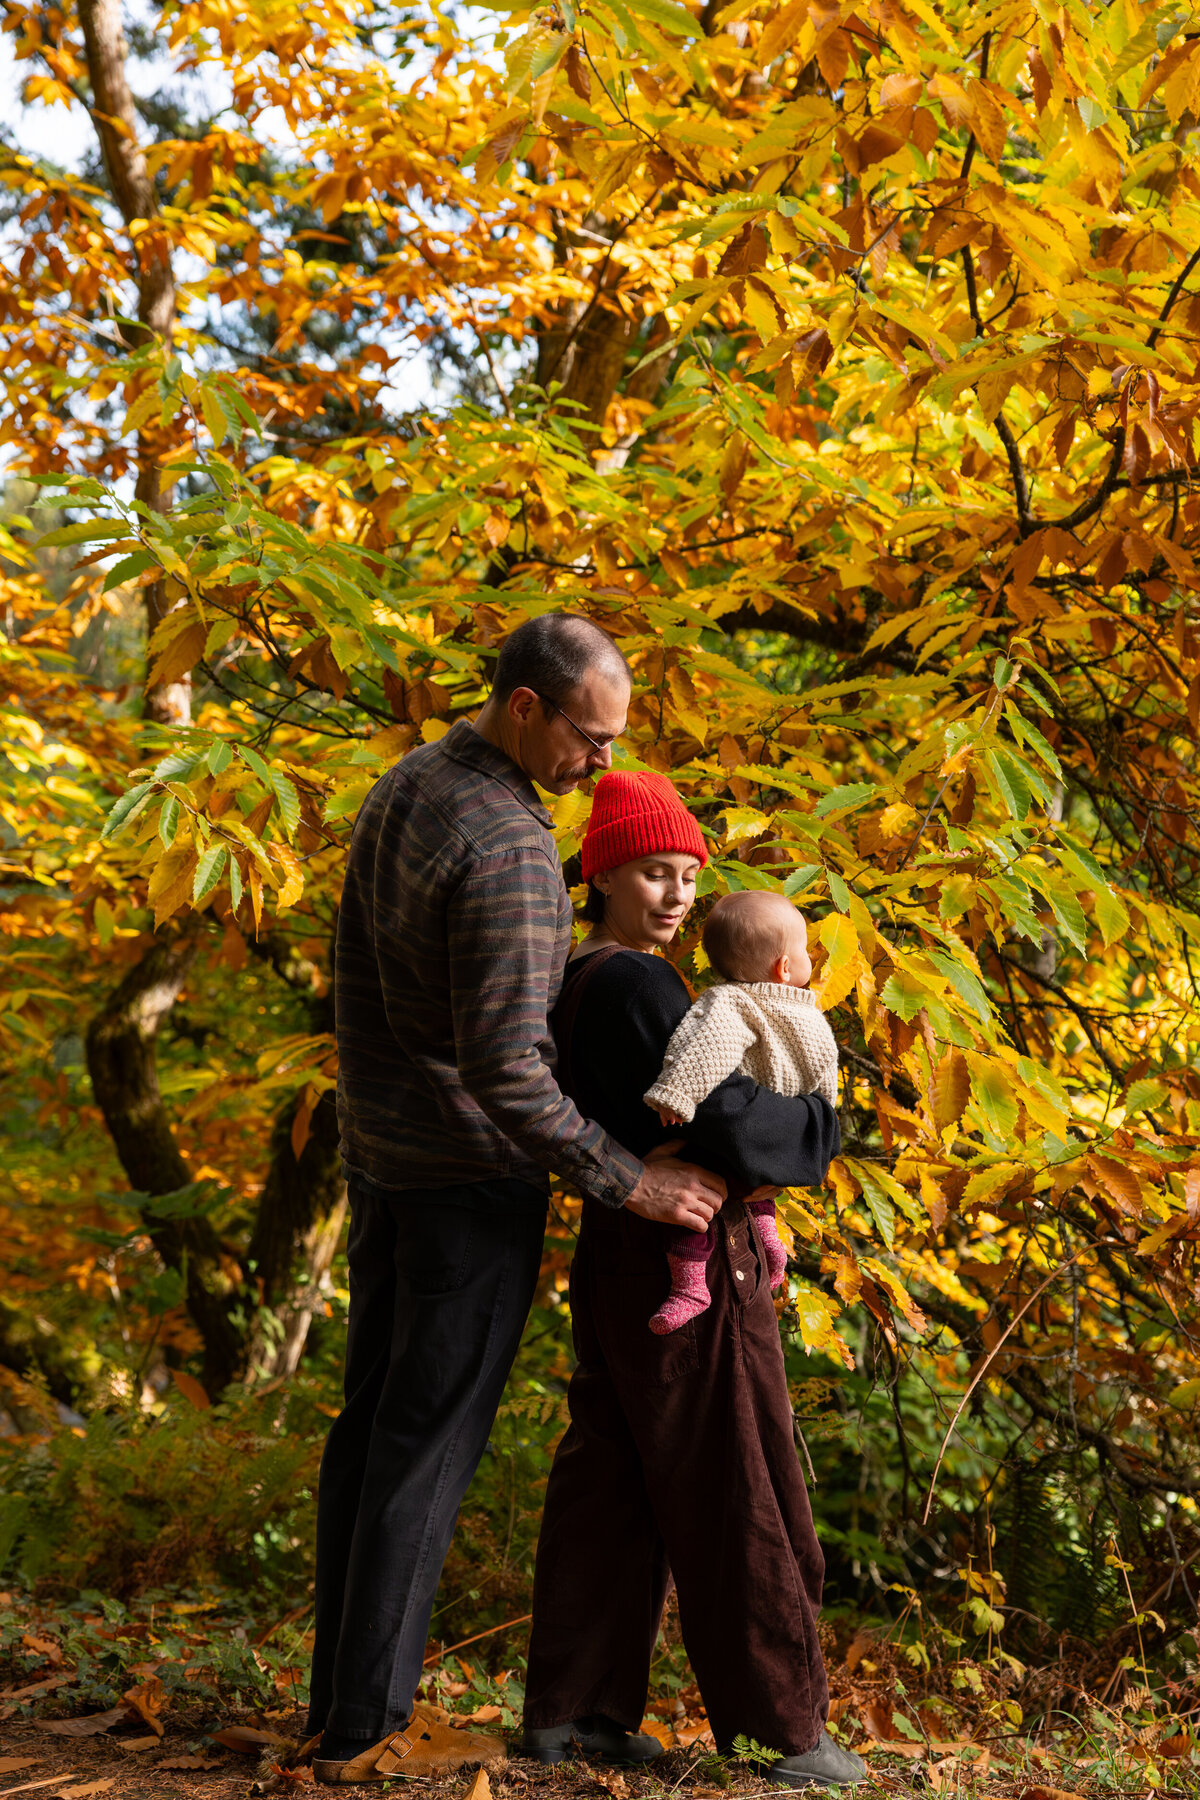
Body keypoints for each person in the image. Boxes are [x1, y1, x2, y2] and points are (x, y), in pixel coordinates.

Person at [310, 617, 729, 1785]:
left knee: (372, 1435)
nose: (602, 763)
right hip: (463, 1181)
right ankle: (366, 1733)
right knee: (426, 1450)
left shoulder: (409, 783)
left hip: (383, 1160)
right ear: (527, 706)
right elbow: (508, 1070)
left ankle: (336, 1709)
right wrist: (628, 1179)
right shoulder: (506, 845)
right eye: (590, 739)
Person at [521, 769, 865, 1791]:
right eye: (650, 873)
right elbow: (733, 1127)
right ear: (602, 876)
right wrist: (822, 1127)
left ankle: (575, 1713)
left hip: (620, 1250)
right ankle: (781, 1729)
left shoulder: (579, 975)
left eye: (685, 874)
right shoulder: (639, 986)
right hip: (693, 1253)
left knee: (615, 1478)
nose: (675, 894)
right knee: (738, 1479)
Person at [642, 889, 839, 1334]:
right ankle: (768, 1244)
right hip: (775, 1142)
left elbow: (701, 1050)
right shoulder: (805, 1016)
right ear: (784, 967)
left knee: (693, 1204)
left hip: (736, 1141)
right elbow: (826, 1084)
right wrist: (819, 1133)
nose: (811, 957)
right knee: (746, 1196)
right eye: (805, 949)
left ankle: (690, 1285)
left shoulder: (731, 1002)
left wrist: (676, 1095)